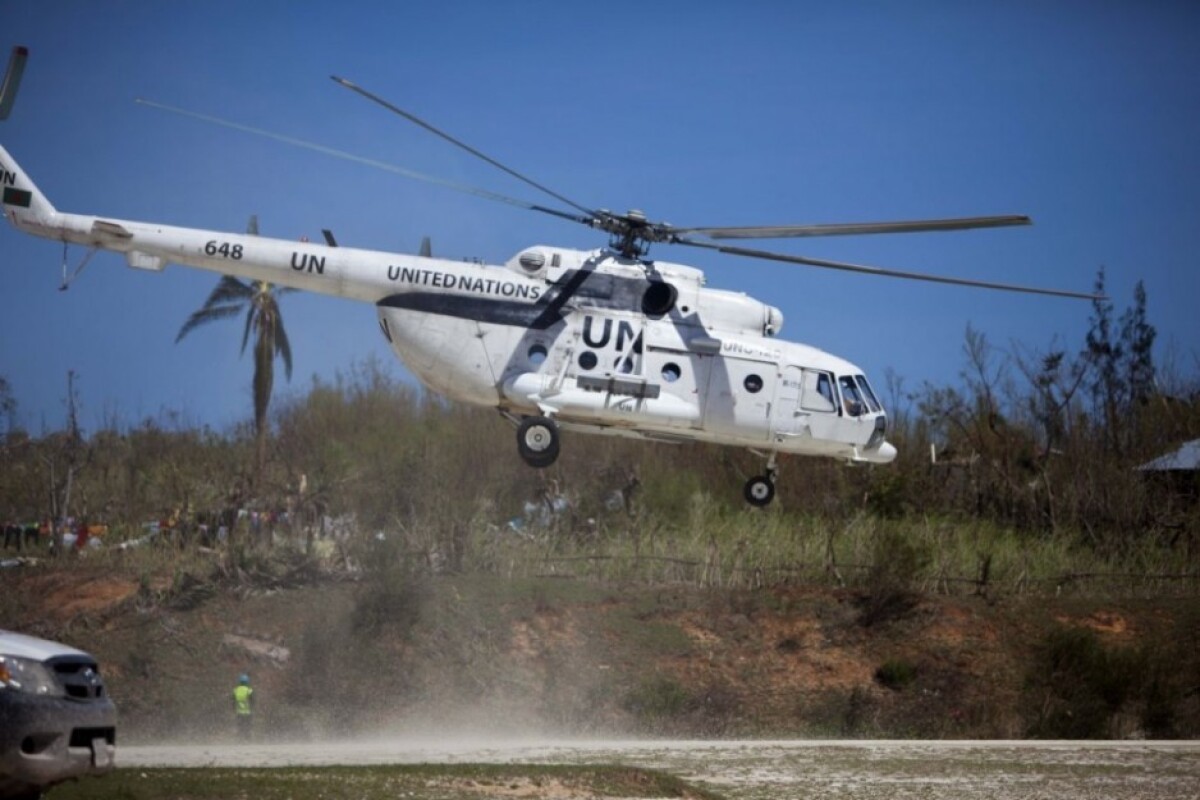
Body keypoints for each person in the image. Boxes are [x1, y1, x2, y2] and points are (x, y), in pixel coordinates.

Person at [233, 673, 254, 739]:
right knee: (248, 727)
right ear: (247, 682)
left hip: (238, 712)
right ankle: (247, 739)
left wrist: (233, 709)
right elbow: (252, 701)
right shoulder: (249, 690)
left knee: (239, 727)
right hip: (248, 712)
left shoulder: (236, 690)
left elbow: (233, 702)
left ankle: (239, 739)